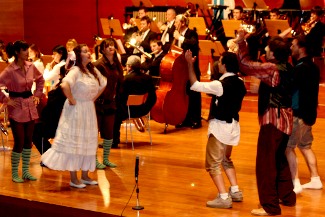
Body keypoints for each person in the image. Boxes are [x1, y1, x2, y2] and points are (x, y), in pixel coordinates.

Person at [236, 33, 296, 215]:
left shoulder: (272, 68)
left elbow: (246, 65)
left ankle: (269, 206)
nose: (266, 50)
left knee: (266, 164)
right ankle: (287, 196)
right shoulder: (289, 67)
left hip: (273, 120)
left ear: (274, 54)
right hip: (286, 119)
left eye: (269, 48)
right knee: (279, 160)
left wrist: (241, 44)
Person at [185, 50, 246, 208]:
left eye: (220, 61)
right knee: (226, 160)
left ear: (224, 65)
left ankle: (224, 197)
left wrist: (190, 64)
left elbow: (194, 85)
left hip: (220, 127)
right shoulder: (240, 81)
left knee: (212, 164)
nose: (218, 63)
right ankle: (235, 191)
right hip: (233, 126)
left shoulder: (220, 85)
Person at [41, 44, 107, 188]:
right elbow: (64, 85)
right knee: (75, 141)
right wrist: (72, 99)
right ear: (78, 55)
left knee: (87, 140)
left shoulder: (92, 70)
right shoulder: (76, 70)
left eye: (88, 51)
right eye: (85, 52)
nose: (89, 53)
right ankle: (73, 178)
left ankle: (85, 175)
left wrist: (93, 99)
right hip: (76, 110)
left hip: (88, 109)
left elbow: (103, 83)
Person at [0, 40, 44, 183]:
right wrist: (6, 100)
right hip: (17, 107)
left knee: (28, 140)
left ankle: (25, 171)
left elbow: (40, 80)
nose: (27, 52)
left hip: (30, 105)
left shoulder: (31, 66)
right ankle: (15, 173)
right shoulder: (9, 70)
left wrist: (37, 95)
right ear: (17, 52)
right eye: (24, 50)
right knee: (19, 140)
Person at [285, 35, 323, 194]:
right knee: (305, 146)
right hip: (309, 114)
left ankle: (295, 183)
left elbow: (290, 89)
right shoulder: (313, 66)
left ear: (301, 48)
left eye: (293, 45)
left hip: (298, 115)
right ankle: (315, 179)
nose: (291, 48)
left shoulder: (300, 68)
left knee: (288, 148)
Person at [113, 55, 156, 148]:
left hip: (128, 111)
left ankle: (114, 140)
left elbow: (120, 98)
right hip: (143, 110)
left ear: (129, 66)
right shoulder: (148, 78)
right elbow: (153, 97)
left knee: (114, 112)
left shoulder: (126, 79)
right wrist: (146, 108)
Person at [93, 38, 124, 167]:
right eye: (108, 46)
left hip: (111, 102)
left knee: (109, 133)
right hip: (98, 102)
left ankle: (105, 159)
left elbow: (120, 81)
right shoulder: (98, 64)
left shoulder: (116, 63)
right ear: (102, 49)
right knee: (95, 133)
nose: (111, 47)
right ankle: (93, 160)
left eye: (113, 45)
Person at [174, 14, 202, 129]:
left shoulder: (191, 33)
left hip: (192, 69)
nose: (175, 24)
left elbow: (193, 43)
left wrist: (179, 37)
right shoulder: (176, 35)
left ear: (183, 23)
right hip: (181, 70)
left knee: (194, 94)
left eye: (176, 22)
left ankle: (195, 120)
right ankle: (183, 118)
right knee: (183, 95)